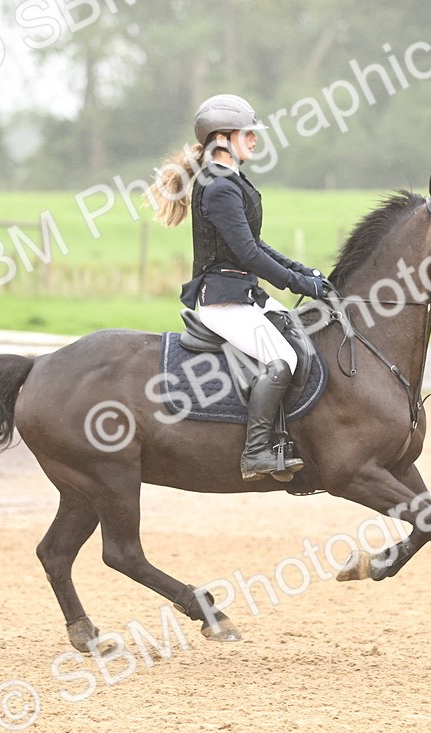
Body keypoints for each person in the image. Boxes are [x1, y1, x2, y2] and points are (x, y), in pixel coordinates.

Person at [151, 93, 327, 482]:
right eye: (247, 133)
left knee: (300, 333)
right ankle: (257, 451)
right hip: (223, 302)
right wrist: (299, 283)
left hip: (243, 295)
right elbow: (247, 253)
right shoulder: (218, 187)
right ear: (222, 137)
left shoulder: (230, 180)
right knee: (282, 359)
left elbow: (254, 243)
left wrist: (304, 272)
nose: (255, 139)